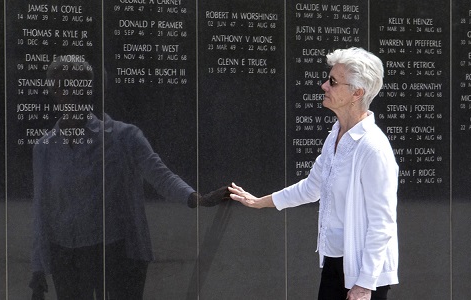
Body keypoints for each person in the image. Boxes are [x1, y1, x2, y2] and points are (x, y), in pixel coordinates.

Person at [29, 56, 229, 299]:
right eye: (63, 85)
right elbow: (42, 211)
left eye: (78, 83)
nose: (71, 92)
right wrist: (38, 270)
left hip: (117, 252)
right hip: (68, 259)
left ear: (89, 89)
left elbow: (160, 175)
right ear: (54, 91)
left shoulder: (124, 137)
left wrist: (198, 198)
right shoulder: (45, 147)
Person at [229, 47, 399, 300]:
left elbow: (382, 223)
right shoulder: (335, 135)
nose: (324, 86)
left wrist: (364, 285)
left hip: (363, 275)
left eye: (333, 81)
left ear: (357, 93)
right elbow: (312, 187)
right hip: (335, 263)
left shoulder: (373, 148)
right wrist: (259, 202)